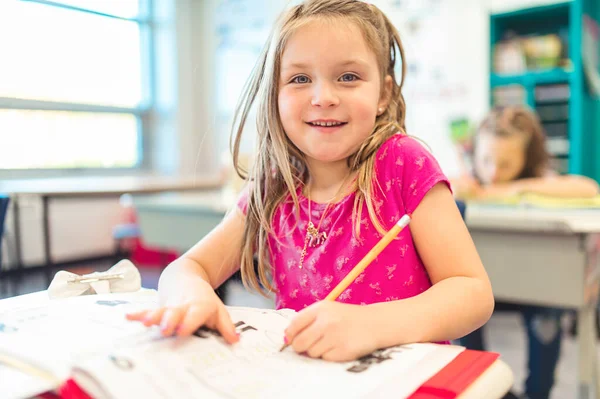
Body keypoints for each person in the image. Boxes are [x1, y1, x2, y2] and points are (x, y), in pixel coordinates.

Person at [127, 0, 494, 363]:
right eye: (300, 79)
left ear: (382, 94)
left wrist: (371, 325)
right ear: (275, 94)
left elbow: (473, 293)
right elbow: (188, 267)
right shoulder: (273, 186)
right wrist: (191, 294)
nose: (324, 98)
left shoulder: (404, 163)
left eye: (348, 77)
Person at [454, 105, 599, 399]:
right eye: (486, 160)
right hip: (481, 288)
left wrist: (503, 191)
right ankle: (485, 389)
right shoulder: (467, 184)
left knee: (549, 308)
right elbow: (448, 186)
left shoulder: (536, 184)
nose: (493, 173)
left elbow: (587, 187)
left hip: (533, 286)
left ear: (526, 159)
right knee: (460, 309)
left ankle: (537, 393)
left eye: (506, 164)